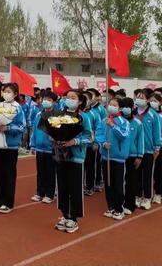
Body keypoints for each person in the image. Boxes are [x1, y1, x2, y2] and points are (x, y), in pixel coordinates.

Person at [54, 89, 92, 234]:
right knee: (62, 186)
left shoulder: (84, 117)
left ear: (80, 101)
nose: (68, 99)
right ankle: (64, 214)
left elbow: (89, 137)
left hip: (76, 157)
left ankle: (73, 218)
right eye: (67, 97)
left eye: (73, 97)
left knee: (74, 187)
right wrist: (54, 137)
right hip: (61, 156)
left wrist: (74, 141)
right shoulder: (59, 115)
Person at [0, 83, 26, 214]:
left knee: (8, 174)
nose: (6, 93)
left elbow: (22, 127)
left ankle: (8, 202)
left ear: (15, 94)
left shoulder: (18, 108)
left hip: (10, 146)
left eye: (9, 91)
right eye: (4, 91)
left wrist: (8, 128)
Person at [95, 97, 130, 220]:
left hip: (118, 158)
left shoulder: (124, 121)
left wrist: (113, 126)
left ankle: (119, 208)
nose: (111, 106)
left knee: (118, 184)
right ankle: (110, 207)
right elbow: (98, 134)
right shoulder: (103, 120)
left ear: (120, 108)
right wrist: (103, 143)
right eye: (110, 104)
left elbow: (124, 135)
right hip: (106, 156)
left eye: (115, 105)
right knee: (108, 183)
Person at [135, 89, 162, 210]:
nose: (139, 99)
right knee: (136, 174)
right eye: (138, 97)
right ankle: (137, 196)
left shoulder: (153, 114)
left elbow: (157, 132)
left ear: (147, 100)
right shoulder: (133, 112)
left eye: (142, 97)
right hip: (135, 150)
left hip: (148, 150)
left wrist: (157, 147)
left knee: (147, 174)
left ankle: (147, 198)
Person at [30, 91, 57, 204]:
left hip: (51, 149)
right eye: (44, 99)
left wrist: (54, 138)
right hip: (39, 148)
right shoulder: (38, 114)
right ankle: (40, 192)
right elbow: (34, 130)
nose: (45, 102)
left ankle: (50, 194)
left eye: (49, 100)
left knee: (50, 172)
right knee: (40, 172)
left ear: (54, 102)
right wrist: (32, 145)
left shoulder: (57, 116)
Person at [121, 97, 144, 215]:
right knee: (120, 181)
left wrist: (139, 156)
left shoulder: (138, 123)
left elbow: (141, 140)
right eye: (123, 107)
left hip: (132, 156)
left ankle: (130, 204)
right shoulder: (118, 121)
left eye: (127, 107)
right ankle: (119, 203)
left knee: (131, 181)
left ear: (132, 108)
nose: (125, 109)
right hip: (120, 156)